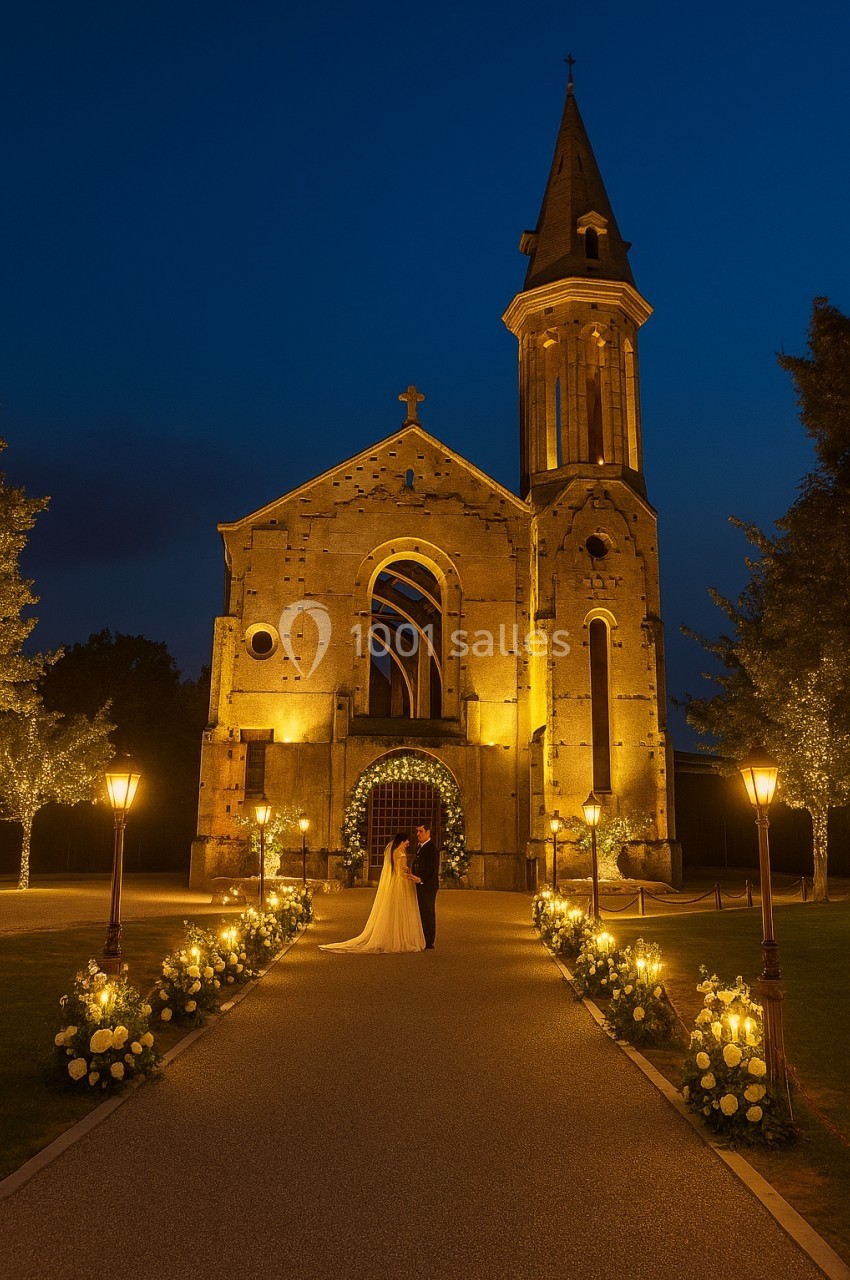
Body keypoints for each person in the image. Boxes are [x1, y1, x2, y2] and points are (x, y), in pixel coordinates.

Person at [320, 832, 425, 954]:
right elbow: (401, 873)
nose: (408, 843)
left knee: (392, 910)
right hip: (401, 884)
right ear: (402, 841)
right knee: (401, 911)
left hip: (393, 883)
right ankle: (400, 938)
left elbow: (394, 869)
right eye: (407, 841)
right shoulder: (401, 854)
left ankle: (392, 935)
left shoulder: (393, 852)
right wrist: (409, 874)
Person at [411, 822, 439, 949]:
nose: (418, 834)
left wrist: (421, 878)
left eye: (421, 831)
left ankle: (429, 940)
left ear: (428, 832)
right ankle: (421, 936)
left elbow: (431, 868)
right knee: (421, 910)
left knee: (427, 911)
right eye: (417, 831)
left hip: (428, 885)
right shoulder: (419, 847)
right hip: (419, 883)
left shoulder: (432, 848)